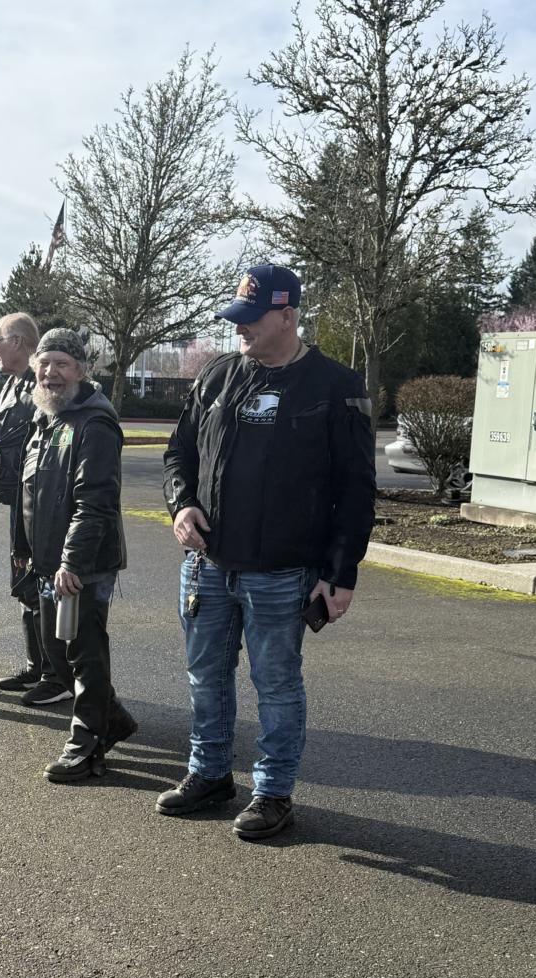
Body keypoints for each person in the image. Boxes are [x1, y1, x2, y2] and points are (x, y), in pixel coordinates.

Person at [159, 263, 376, 838]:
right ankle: (209, 775)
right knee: (205, 676)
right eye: (237, 318)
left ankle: (273, 793)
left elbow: (357, 489)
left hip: (282, 572)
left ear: (288, 316)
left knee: (276, 684)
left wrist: (340, 572)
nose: (241, 329)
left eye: (252, 319)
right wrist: (181, 504)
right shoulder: (217, 376)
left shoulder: (335, 386)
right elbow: (179, 453)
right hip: (206, 565)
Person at [13, 328, 137, 782]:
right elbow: (30, 492)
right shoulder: (47, 419)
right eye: (44, 364)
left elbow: (95, 502)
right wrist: (24, 548)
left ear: (82, 371)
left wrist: (73, 563)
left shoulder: (94, 424)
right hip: (48, 562)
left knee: (83, 653)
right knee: (57, 653)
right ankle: (112, 719)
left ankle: (87, 746)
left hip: (83, 564)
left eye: (62, 364)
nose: (51, 373)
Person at [0, 312, 69, 707]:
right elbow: (7, 447)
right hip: (19, 500)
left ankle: (57, 675)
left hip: (39, 505)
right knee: (25, 586)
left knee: (40, 584)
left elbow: (43, 453)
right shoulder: (13, 384)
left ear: (17, 342)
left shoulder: (42, 387)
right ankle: (37, 665)